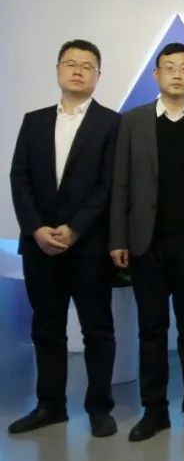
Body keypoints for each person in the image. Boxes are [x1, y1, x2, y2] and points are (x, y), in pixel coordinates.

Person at [110, 42, 184, 441]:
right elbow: (121, 183)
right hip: (146, 244)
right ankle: (154, 410)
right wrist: (118, 238)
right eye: (169, 67)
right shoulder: (132, 122)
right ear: (155, 75)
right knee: (151, 329)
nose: (177, 73)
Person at [8, 39, 120, 438]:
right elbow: (19, 178)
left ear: (98, 76)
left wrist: (75, 229)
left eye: (87, 66)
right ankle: (50, 406)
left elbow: (108, 185)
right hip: (39, 246)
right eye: (70, 63)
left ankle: (99, 408)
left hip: (88, 246)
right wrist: (35, 228)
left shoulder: (112, 123)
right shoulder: (34, 121)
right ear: (57, 70)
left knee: (97, 330)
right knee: (47, 329)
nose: (78, 71)